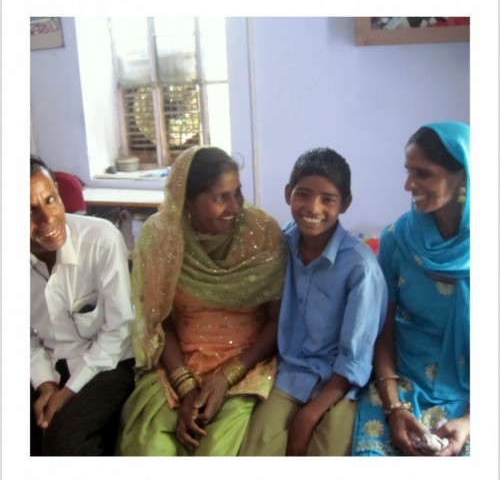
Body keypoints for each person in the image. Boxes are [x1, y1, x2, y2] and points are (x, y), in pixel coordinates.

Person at [117, 146, 287, 456]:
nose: (235, 206)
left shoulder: (262, 233)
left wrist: (227, 377)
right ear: (187, 202)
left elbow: (278, 322)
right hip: (179, 364)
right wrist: (186, 388)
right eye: (219, 197)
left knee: (216, 451)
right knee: (148, 446)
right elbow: (159, 322)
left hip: (247, 364)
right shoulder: (161, 238)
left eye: (238, 192)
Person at [239, 147, 388, 456]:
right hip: (291, 374)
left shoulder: (360, 267)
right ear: (287, 194)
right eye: (303, 194)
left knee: (328, 451)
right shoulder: (280, 246)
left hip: (340, 384)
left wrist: (308, 416)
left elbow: (355, 357)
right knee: (256, 449)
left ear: (345, 203)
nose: (313, 207)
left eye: (328, 199)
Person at [352, 121, 470, 456]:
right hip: (403, 381)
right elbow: (383, 333)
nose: (408, 184)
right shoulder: (397, 239)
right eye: (408, 171)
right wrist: (394, 408)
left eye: (423, 173)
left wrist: (471, 421)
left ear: (462, 176)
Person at [30, 155, 135, 456]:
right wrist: (46, 384)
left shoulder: (101, 240)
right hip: (47, 363)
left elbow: (118, 331)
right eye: (28, 210)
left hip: (107, 361)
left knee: (64, 440)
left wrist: (68, 392)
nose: (48, 219)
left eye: (50, 200)